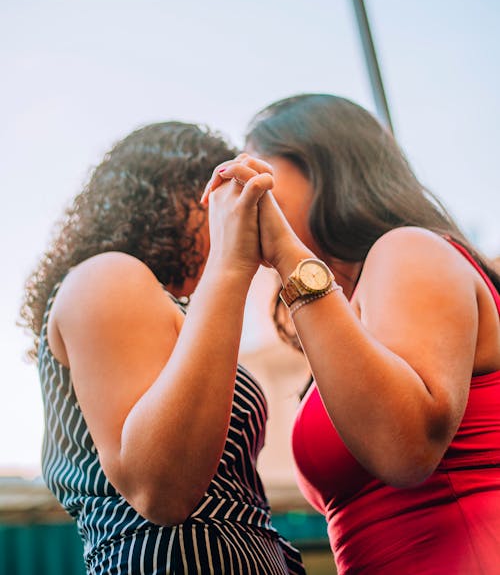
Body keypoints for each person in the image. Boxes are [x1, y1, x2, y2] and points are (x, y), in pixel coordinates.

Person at [204, 94, 500, 574]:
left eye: (257, 167)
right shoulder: (354, 309)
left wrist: (286, 253)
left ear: (322, 166)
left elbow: (404, 450)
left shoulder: (408, 249)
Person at [19, 121, 305, 575]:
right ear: (172, 194)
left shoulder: (170, 306)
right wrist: (230, 265)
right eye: (214, 192)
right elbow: (161, 490)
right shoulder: (106, 275)